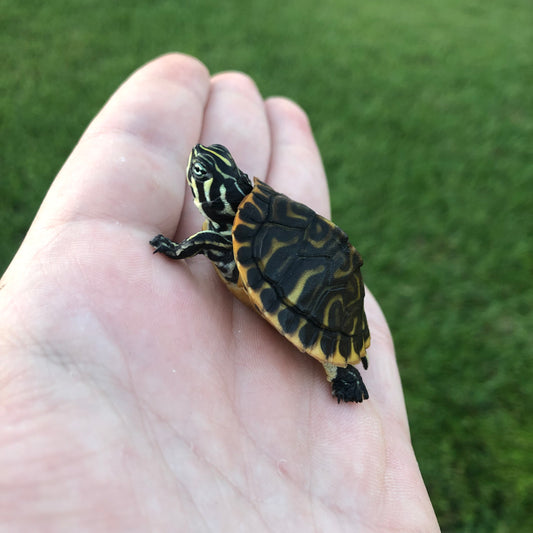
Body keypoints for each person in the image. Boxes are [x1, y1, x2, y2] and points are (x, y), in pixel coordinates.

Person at [0, 53, 439, 531]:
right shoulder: (248, 212)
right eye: (202, 171)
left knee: (305, 326)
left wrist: (176, 249)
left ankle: (339, 368)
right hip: (326, 274)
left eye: (202, 175)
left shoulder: (226, 234)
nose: (196, 170)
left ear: (210, 194)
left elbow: (213, 242)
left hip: (324, 292)